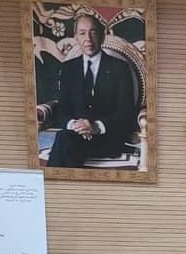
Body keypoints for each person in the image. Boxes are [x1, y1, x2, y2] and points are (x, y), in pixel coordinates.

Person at [44, 14, 140, 168]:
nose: (88, 39)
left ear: (102, 36)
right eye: (82, 33)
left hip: (107, 138)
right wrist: (75, 125)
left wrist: (95, 126)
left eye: (93, 32)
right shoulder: (68, 68)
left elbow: (126, 112)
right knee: (66, 140)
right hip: (74, 135)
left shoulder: (119, 68)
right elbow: (62, 108)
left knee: (64, 142)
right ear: (76, 37)